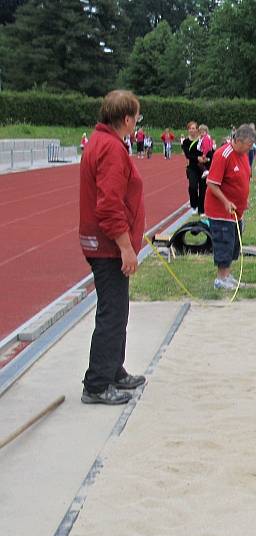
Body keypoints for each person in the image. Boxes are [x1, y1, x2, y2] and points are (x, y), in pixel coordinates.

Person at [78, 90, 147, 405]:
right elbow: (108, 206)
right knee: (113, 312)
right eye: (137, 117)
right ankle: (96, 384)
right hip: (107, 245)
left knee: (118, 310)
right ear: (128, 119)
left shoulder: (100, 141)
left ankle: (113, 369)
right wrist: (126, 247)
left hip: (105, 243)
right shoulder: (110, 149)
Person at [205, 124, 256, 290]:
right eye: (249, 144)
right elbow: (212, 183)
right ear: (239, 140)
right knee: (224, 242)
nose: (251, 148)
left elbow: (241, 179)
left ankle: (227, 274)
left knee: (234, 244)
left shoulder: (243, 154)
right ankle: (220, 279)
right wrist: (226, 201)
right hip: (221, 211)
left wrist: (243, 200)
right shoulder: (223, 155)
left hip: (236, 212)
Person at [181, 121, 205, 214]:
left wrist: (205, 158)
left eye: (193, 128)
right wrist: (197, 158)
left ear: (197, 129)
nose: (191, 130)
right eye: (190, 128)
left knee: (203, 189)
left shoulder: (202, 140)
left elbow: (207, 150)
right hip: (192, 168)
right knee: (193, 187)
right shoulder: (186, 142)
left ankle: (201, 209)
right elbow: (188, 155)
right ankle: (194, 205)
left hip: (202, 168)